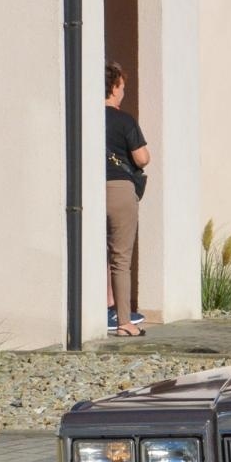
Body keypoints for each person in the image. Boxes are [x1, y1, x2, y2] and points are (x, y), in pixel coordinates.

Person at [103, 61, 150, 337]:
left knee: (95, 253)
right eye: (122, 87)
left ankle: (97, 310)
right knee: (120, 258)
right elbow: (142, 158)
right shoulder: (124, 120)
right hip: (120, 190)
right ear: (113, 87)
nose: (123, 92)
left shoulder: (87, 117)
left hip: (89, 188)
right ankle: (123, 323)